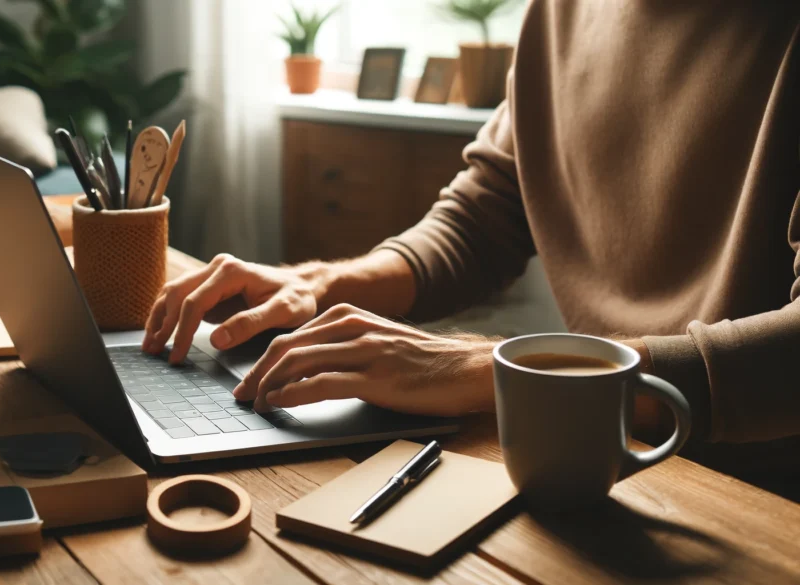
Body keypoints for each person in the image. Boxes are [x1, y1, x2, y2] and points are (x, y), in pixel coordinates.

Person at [144, 1, 800, 480]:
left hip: (760, 495)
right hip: (593, 457)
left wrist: (496, 367)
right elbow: (482, 217)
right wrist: (321, 284)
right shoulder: (558, 13)